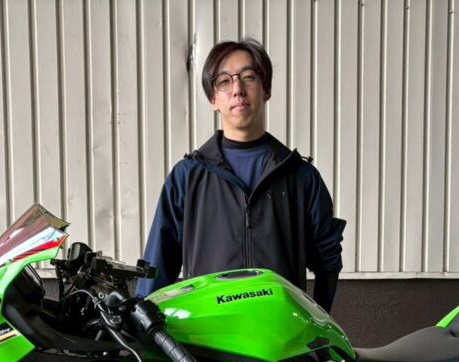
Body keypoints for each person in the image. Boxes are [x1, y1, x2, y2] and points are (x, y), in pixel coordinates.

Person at [136, 39, 345, 311]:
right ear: (213, 99)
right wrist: (139, 320)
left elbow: (328, 260)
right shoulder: (187, 178)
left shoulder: (301, 177)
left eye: (248, 77)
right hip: (208, 330)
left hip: (279, 332)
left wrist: (317, 322)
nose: (237, 90)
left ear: (266, 89)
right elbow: (157, 267)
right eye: (225, 81)